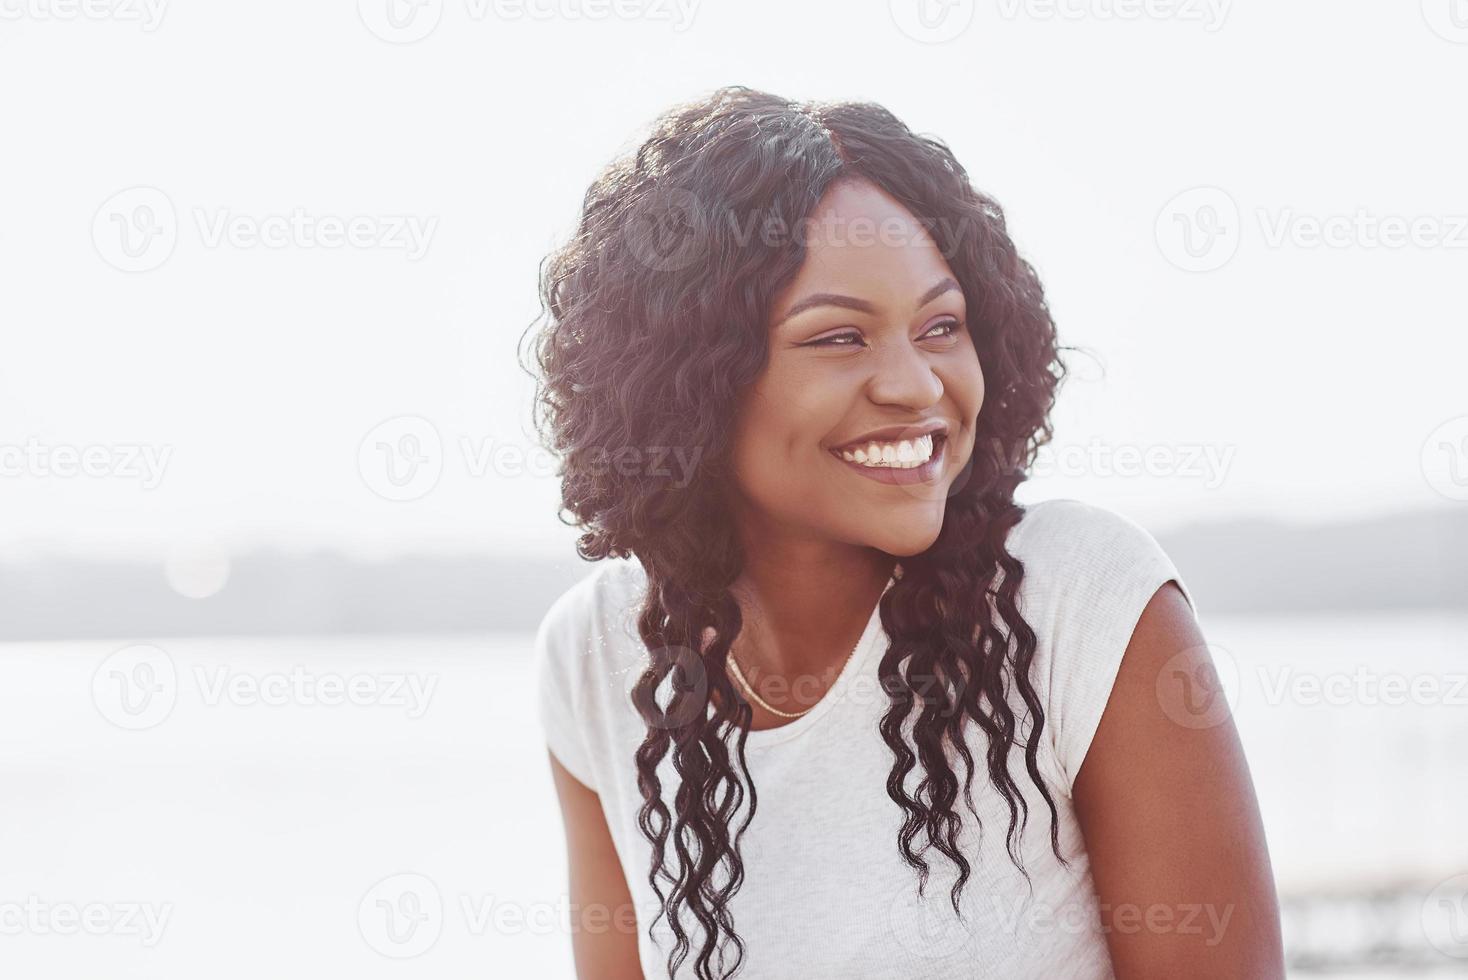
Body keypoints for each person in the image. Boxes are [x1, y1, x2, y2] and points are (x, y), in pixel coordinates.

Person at [522, 85, 1283, 979]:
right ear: (691, 381)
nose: (917, 386)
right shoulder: (597, 656)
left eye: (942, 327)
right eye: (840, 338)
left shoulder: (1081, 600)